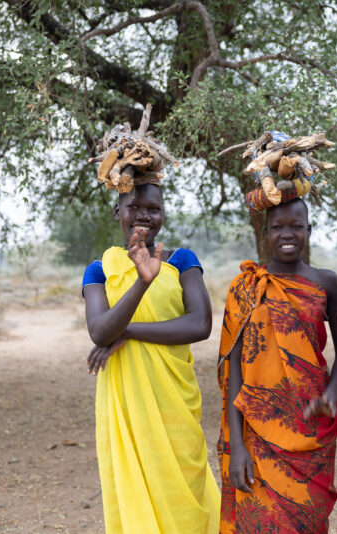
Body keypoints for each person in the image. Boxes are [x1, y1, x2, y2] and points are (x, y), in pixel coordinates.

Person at [81, 182, 219, 533]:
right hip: (127, 406)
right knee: (136, 497)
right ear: (118, 212)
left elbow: (200, 324)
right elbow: (99, 332)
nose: (144, 215)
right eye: (134, 207)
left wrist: (126, 332)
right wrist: (142, 282)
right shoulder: (100, 269)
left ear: (163, 215)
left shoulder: (182, 260)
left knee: (186, 495)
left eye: (153, 209)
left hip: (175, 402)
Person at [217, 198, 337, 533]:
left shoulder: (326, 282)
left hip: (310, 429)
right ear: (266, 233)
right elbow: (234, 370)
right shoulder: (245, 288)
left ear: (309, 229)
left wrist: (332, 394)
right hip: (256, 433)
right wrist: (237, 446)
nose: (287, 234)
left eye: (296, 226)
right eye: (277, 227)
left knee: (306, 521)